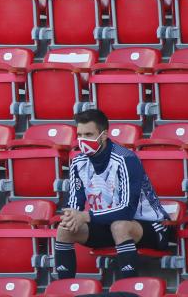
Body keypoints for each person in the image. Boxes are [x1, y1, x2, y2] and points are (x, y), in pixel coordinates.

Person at [55, 108, 169, 279]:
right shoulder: (78, 162)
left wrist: (85, 216)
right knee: (64, 229)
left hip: (149, 227)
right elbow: (74, 202)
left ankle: (127, 291)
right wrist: (70, 215)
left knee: (120, 225)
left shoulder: (125, 159)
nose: (83, 140)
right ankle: (64, 290)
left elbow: (126, 210)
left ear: (103, 135)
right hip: (105, 224)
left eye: (88, 134)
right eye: (80, 135)